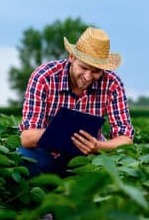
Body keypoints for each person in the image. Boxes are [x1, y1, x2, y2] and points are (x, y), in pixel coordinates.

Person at [18, 27, 134, 178]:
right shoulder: (45, 77)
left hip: (88, 156)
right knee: (24, 157)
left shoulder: (112, 83)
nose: (87, 76)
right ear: (71, 57)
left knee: (113, 169)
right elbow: (27, 138)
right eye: (84, 68)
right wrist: (62, 132)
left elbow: (125, 139)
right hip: (46, 153)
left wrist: (98, 146)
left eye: (96, 71)